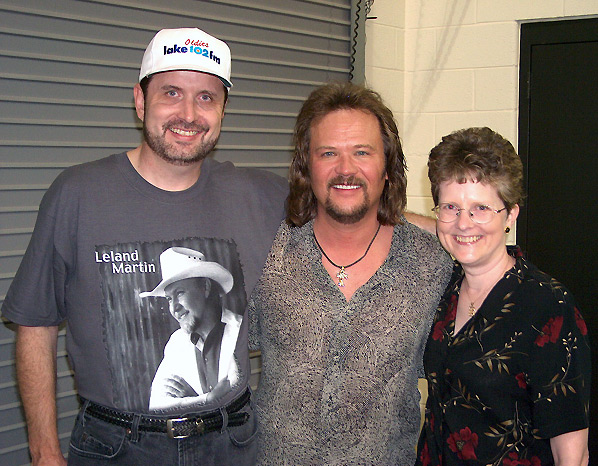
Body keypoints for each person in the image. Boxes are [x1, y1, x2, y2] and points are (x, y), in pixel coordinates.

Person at [1, 27, 288, 465]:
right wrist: (44, 453)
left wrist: (435, 219)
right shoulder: (78, 194)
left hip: (232, 445)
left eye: (206, 97)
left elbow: (350, 208)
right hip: (116, 448)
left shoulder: (257, 194)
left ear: (224, 109)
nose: (188, 114)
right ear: (140, 100)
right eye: (171, 92)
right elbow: (35, 324)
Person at [248, 81, 454, 465]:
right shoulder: (267, 250)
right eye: (328, 153)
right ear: (306, 167)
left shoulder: (432, 266)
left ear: (388, 167)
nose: (346, 170)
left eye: (362, 152)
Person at [415, 127, 591, 466]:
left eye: (481, 208)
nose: (463, 223)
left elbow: (572, 453)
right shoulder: (444, 287)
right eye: (450, 207)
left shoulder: (546, 306)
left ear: (510, 215)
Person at [139, 247, 242, 411]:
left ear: (205, 288)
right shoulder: (176, 343)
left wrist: (188, 402)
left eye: (179, 293)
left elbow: (236, 400)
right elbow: (157, 406)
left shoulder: (239, 332)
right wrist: (207, 400)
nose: (174, 308)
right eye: (168, 299)